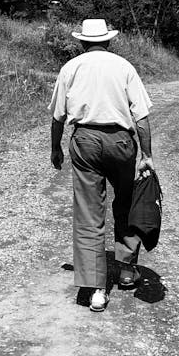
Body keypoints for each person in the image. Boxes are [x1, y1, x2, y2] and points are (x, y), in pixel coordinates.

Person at [49, 18, 154, 312]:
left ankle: (96, 289)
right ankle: (127, 270)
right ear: (108, 41)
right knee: (125, 203)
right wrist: (146, 154)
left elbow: (58, 116)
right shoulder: (124, 67)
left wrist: (55, 148)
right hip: (121, 141)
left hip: (85, 142)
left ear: (82, 42)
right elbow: (141, 117)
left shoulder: (70, 68)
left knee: (89, 213)